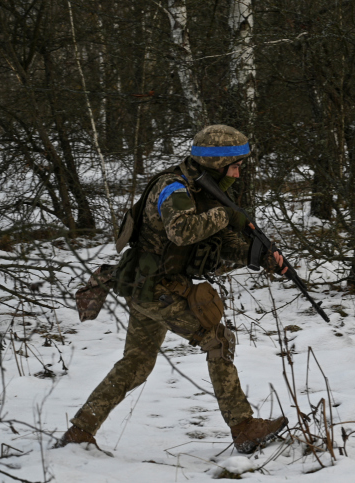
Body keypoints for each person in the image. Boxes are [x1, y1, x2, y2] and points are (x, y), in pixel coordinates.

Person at [60, 125, 288, 454]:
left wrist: (263, 257)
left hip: (146, 287)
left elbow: (218, 242)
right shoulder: (174, 188)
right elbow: (182, 231)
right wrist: (227, 215)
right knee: (218, 340)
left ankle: (79, 431)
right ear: (216, 164)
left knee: (136, 364)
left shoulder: (203, 188)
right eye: (235, 165)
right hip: (156, 290)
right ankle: (243, 427)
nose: (238, 173)